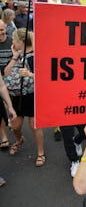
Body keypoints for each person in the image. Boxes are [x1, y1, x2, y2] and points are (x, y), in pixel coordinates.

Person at [4, 28, 45, 166]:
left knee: (35, 126)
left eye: (14, 40)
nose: (12, 42)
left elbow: (45, 78)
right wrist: (14, 56)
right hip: (16, 97)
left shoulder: (35, 55)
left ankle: (40, 153)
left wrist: (29, 74)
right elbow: (6, 73)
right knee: (15, 126)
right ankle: (19, 139)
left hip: (31, 95)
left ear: (21, 41)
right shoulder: (17, 54)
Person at [0, 19, 13, 149]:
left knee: (10, 107)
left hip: (10, 79)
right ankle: (4, 137)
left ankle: (15, 129)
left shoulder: (11, 42)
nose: (0, 32)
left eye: (1, 29)